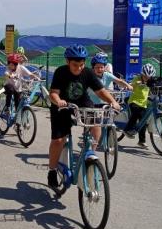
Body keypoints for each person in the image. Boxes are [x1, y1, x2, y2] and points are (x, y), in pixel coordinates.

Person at [48, 45, 120, 188]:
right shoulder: (60, 72)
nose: (79, 68)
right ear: (68, 61)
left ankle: (90, 154)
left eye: (82, 65)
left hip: (82, 102)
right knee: (59, 140)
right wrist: (58, 101)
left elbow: (100, 91)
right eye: (75, 65)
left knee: (96, 122)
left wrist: (112, 101)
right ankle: (52, 170)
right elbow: (53, 93)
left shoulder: (88, 73)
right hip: (62, 106)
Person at [123, 63, 157, 149]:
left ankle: (141, 141)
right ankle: (127, 129)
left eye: (149, 77)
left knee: (143, 122)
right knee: (136, 113)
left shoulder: (150, 82)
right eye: (145, 76)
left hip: (143, 103)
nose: (147, 78)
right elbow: (131, 85)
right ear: (142, 74)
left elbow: (152, 90)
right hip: (134, 101)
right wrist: (138, 83)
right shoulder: (137, 78)